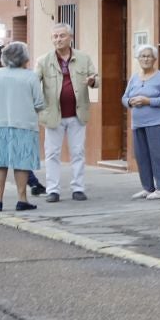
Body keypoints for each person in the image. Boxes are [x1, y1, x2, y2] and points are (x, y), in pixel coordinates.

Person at [36, 22, 97, 203]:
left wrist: (93, 81)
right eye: (55, 37)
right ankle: (53, 190)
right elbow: (33, 82)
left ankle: (78, 188)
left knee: (78, 152)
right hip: (53, 115)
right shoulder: (43, 61)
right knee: (52, 154)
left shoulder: (83, 58)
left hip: (77, 114)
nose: (58, 40)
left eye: (62, 36)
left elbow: (96, 78)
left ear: (70, 37)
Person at [0, 41, 47, 211]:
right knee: (22, 162)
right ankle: (22, 199)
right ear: (24, 58)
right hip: (24, 124)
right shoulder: (31, 76)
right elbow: (40, 103)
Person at [123, 44, 160, 200]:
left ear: (154, 59)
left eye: (149, 56)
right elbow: (124, 97)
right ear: (138, 59)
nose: (146, 59)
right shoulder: (134, 77)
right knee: (142, 156)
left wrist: (148, 101)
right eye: (142, 56)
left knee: (159, 155)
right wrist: (130, 102)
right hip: (138, 123)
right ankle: (147, 187)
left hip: (157, 123)